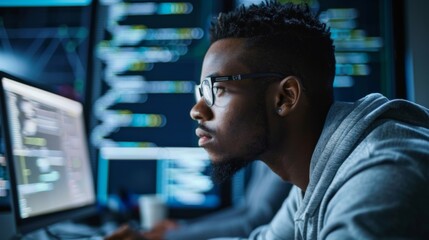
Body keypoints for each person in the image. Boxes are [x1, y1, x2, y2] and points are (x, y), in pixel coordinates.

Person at [106, 1, 429, 239]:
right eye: (200, 91)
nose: (197, 110)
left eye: (217, 89)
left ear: (285, 98)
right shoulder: (313, 179)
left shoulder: (381, 178)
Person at [142, 161, 292, 240]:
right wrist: (182, 227)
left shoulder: (287, 157)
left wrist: (170, 237)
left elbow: (253, 223)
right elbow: (245, 208)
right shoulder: (265, 157)